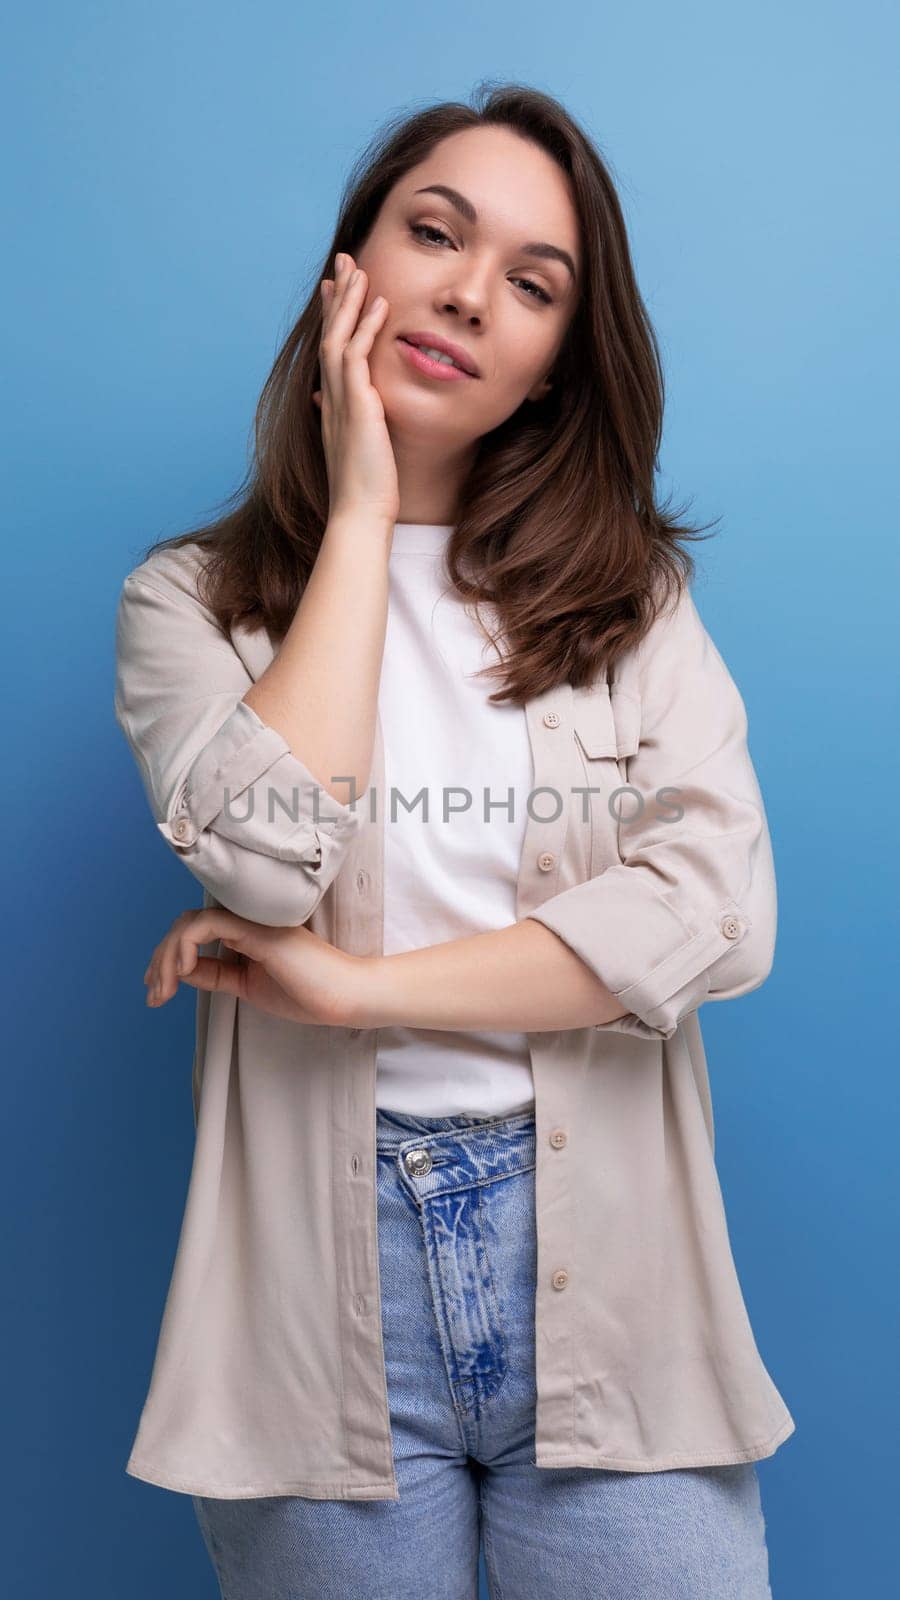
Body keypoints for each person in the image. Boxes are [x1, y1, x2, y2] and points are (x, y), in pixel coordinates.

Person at [115, 83, 794, 1599]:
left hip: (616, 1274)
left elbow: (722, 917)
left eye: (534, 284)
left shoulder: (634, 606)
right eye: (434, 232)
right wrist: (362, 514)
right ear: (348, 268)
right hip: (313, 1295)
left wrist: (355, 992)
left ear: (558, 363)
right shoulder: (190, 606)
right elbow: (267, 865)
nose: (470, 293)